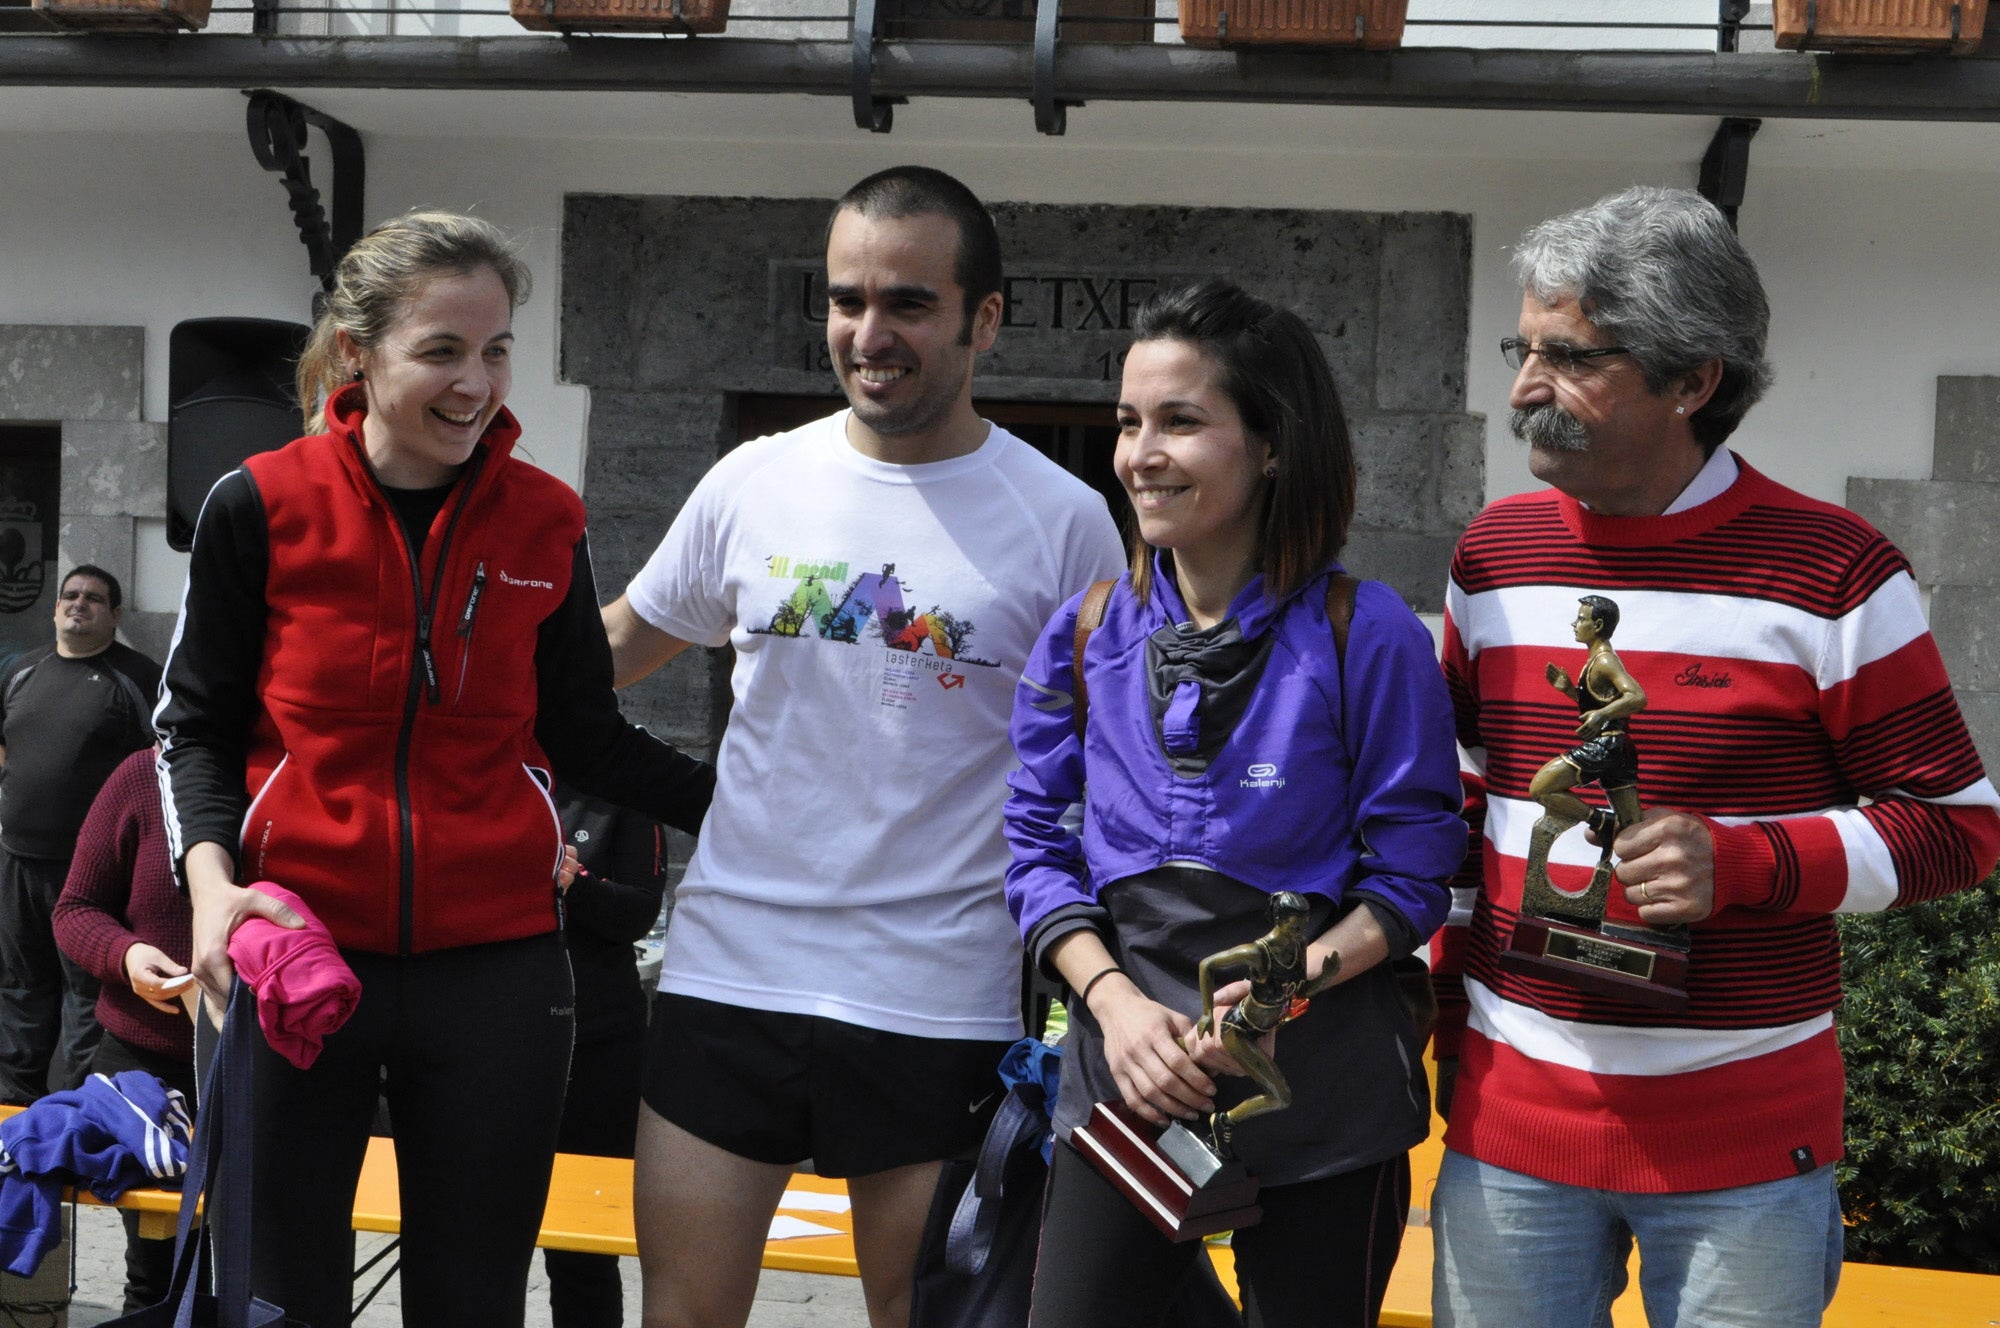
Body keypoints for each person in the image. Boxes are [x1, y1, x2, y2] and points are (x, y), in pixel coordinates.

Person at [1431, 186, 2000, 1328]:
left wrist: (1739, 861)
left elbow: (1957, 826)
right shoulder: (1492, 555)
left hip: (1744, 1148)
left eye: (1568, 357)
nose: (1523, 391)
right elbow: (1458, 802)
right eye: (1522, 347)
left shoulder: (1834, 569)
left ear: (1694, 379)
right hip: (1506, 1128)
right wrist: (1429, 991)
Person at [154, 210, 715, 1328]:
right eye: (443, 350)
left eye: (497, 348)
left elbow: (586, 734)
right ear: (359, 352)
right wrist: (212, 892)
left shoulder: (544, 518)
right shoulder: (258, 505)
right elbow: (193, 726)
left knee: (471, 1301)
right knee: (276, 1297)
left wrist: (758, 801)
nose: (478, 383)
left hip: (497, 971)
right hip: (293, 950)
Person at [599, 165, 1125, 1328]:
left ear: (983, 319)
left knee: (926, 1318)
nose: (867, 334)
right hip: (730, 964)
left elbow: (1115, 745)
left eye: (906, 303)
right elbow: (618, 645)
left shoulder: (1063, 516)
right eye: (845, 300)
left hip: (939, 989)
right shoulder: (753, 478)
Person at [1002, 280, 1466, 1328]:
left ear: (1268, 445)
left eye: (1179, 420)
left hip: (1325, 1100)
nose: (1139, 453)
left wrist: (1275, 993)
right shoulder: (1082, 631)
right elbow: (1034, 848)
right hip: (1127, 1084)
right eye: (1128, 422)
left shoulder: (1368, 633)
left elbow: (1413, 875)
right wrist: (1115, 1009)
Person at [0, 564, 161, 1103]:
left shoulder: (138, 677)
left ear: (115, 615)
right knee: (22, 990)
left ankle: (75, 1108)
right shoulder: (22, 670)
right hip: (18, 863)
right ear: (54, 609)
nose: (78, 604)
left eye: (94, 598)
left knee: (87, 999)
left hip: (92, 876)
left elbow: (163, 764)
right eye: (70, 595)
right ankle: (13, 1105)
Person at [51, 744, 194, 1313]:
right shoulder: (141, 777)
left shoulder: (295, 779)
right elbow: (75, 908)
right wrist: (127, 955)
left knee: (247, 1275)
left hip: (264, 1068)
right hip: (144, 1074)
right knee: (154, 1279)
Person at [545, 784, 669, 1328]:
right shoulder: (491, 764)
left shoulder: (623, 786)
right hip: (489, 1033)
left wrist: (572, 882)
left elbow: (638, 911)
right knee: (468, 1239)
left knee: (582, 1253)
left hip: (597, 1039)